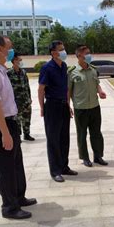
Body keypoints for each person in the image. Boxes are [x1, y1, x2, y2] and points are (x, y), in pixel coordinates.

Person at [0, 35, 36, 219]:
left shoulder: (0, 70)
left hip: (9, 122)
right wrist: (5, 133)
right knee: (6, 168)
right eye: (9, 47)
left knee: (15, 164)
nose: (11, 51)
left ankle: (19, 197)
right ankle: (9, 207)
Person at [38, 40, 78, 182]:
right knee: (53, 139)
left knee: (64, 138)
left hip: (63, 106)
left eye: (64, 48)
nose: (63, 51)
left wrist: (68, 104)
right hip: (52, 106)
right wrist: (42, 107)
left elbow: (65, 88)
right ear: (53, 53)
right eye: (60, 49)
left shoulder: (64, 66)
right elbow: (41, 89)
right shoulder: (47, 68)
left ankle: (64, 166)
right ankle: (55, 170)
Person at [68, 45, 108, 167]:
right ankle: (85, 158)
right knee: (82, 134)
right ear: (79, 55)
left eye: (89, 53)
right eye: (87, 53)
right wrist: (68, 106)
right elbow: (68, 91)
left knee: (96, 133)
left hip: (95, 107)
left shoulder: (93, 70)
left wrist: (100, 91)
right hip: (80, 108)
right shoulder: (72, 72)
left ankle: (98, 156)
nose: (89, 55)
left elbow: (97, 84)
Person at [7, 52, 35, 141]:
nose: (21, 61)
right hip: (16, 101)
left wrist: (29, 98)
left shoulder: (23, 72)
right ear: (14, 61)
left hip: (25, 100)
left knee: (27, 118)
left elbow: (27, 85)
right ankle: (18, 136)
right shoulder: (9, 73)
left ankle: (27, 134)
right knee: (17, 120)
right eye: (20, 60)